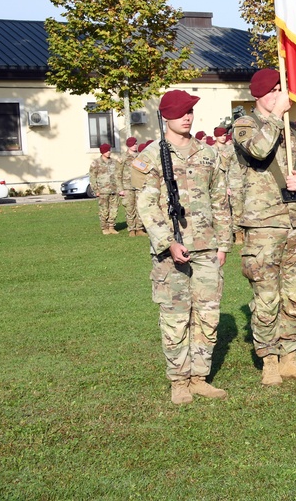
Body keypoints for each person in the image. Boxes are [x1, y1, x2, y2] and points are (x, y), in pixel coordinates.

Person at [131, 89, 232, 404]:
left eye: (190, 111)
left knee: (208, 315)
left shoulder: (208, 153)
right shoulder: (149, 157)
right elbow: (146, 207)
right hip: (170, 252)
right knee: (176, 318)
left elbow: (220, 199)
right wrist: (167, 242)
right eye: (180, 112)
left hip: (207, 248)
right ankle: (179, 382)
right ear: (165, 117)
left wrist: (224, 243)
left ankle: (199, 377)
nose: (187, 117)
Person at [231, 69, 296, 386]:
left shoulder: (295, 131)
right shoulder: (244, 125)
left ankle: (290, 358)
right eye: (274, 91)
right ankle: (269, 360)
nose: (280, 97)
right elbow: (258, 150)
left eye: (280, 91)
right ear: (260, 95)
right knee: (267, 298)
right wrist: (274, 117)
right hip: (263, 225)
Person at [116, 137, 146, 236]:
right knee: (129, 208)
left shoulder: (139, 156)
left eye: (136, 144)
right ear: (129, 145)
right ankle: (131, 229)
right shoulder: (123, 158)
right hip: (127, 187)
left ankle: (139, 228)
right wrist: (120, 189)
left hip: (137, 186)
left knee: (139, 207)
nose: (135, 146)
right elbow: (118, 174)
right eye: (133, 144)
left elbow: (143, 170)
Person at [90, 142, 120, 234]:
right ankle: (104, 227)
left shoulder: (114, 162)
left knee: (114, 209)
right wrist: (96, 190)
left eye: (109, 150)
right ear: (102, 152)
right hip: (103, 190)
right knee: (104, 210)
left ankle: (111, 226)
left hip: (114, 189)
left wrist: (120, 188)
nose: (109, 152)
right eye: (106, 151)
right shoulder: (96, 163)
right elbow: (92, 177)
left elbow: (118, 175)